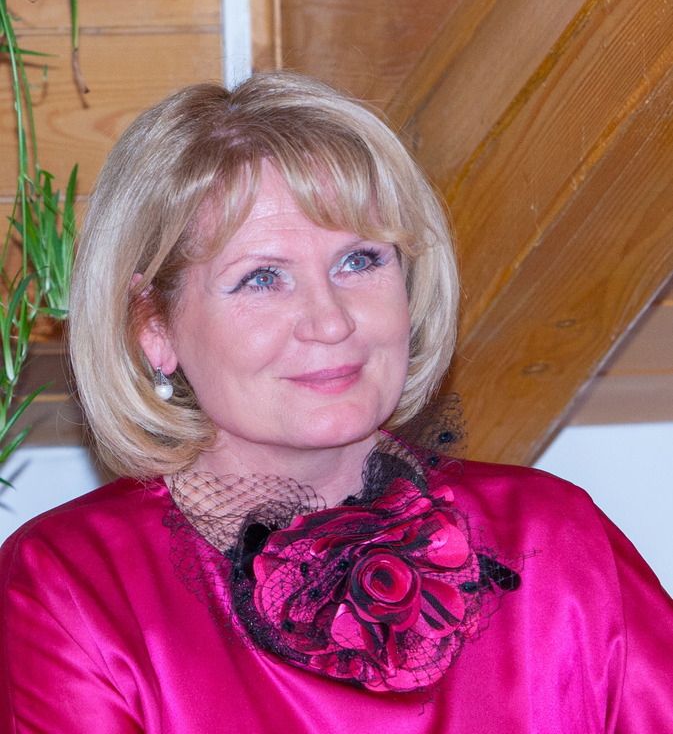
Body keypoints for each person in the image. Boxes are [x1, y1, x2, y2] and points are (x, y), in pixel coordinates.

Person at [0, 72, 671, 733]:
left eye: (359, 262)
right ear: (152, 325)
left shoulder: (555, 541)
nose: (330, 322)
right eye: (262, 278)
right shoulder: (74, 591)